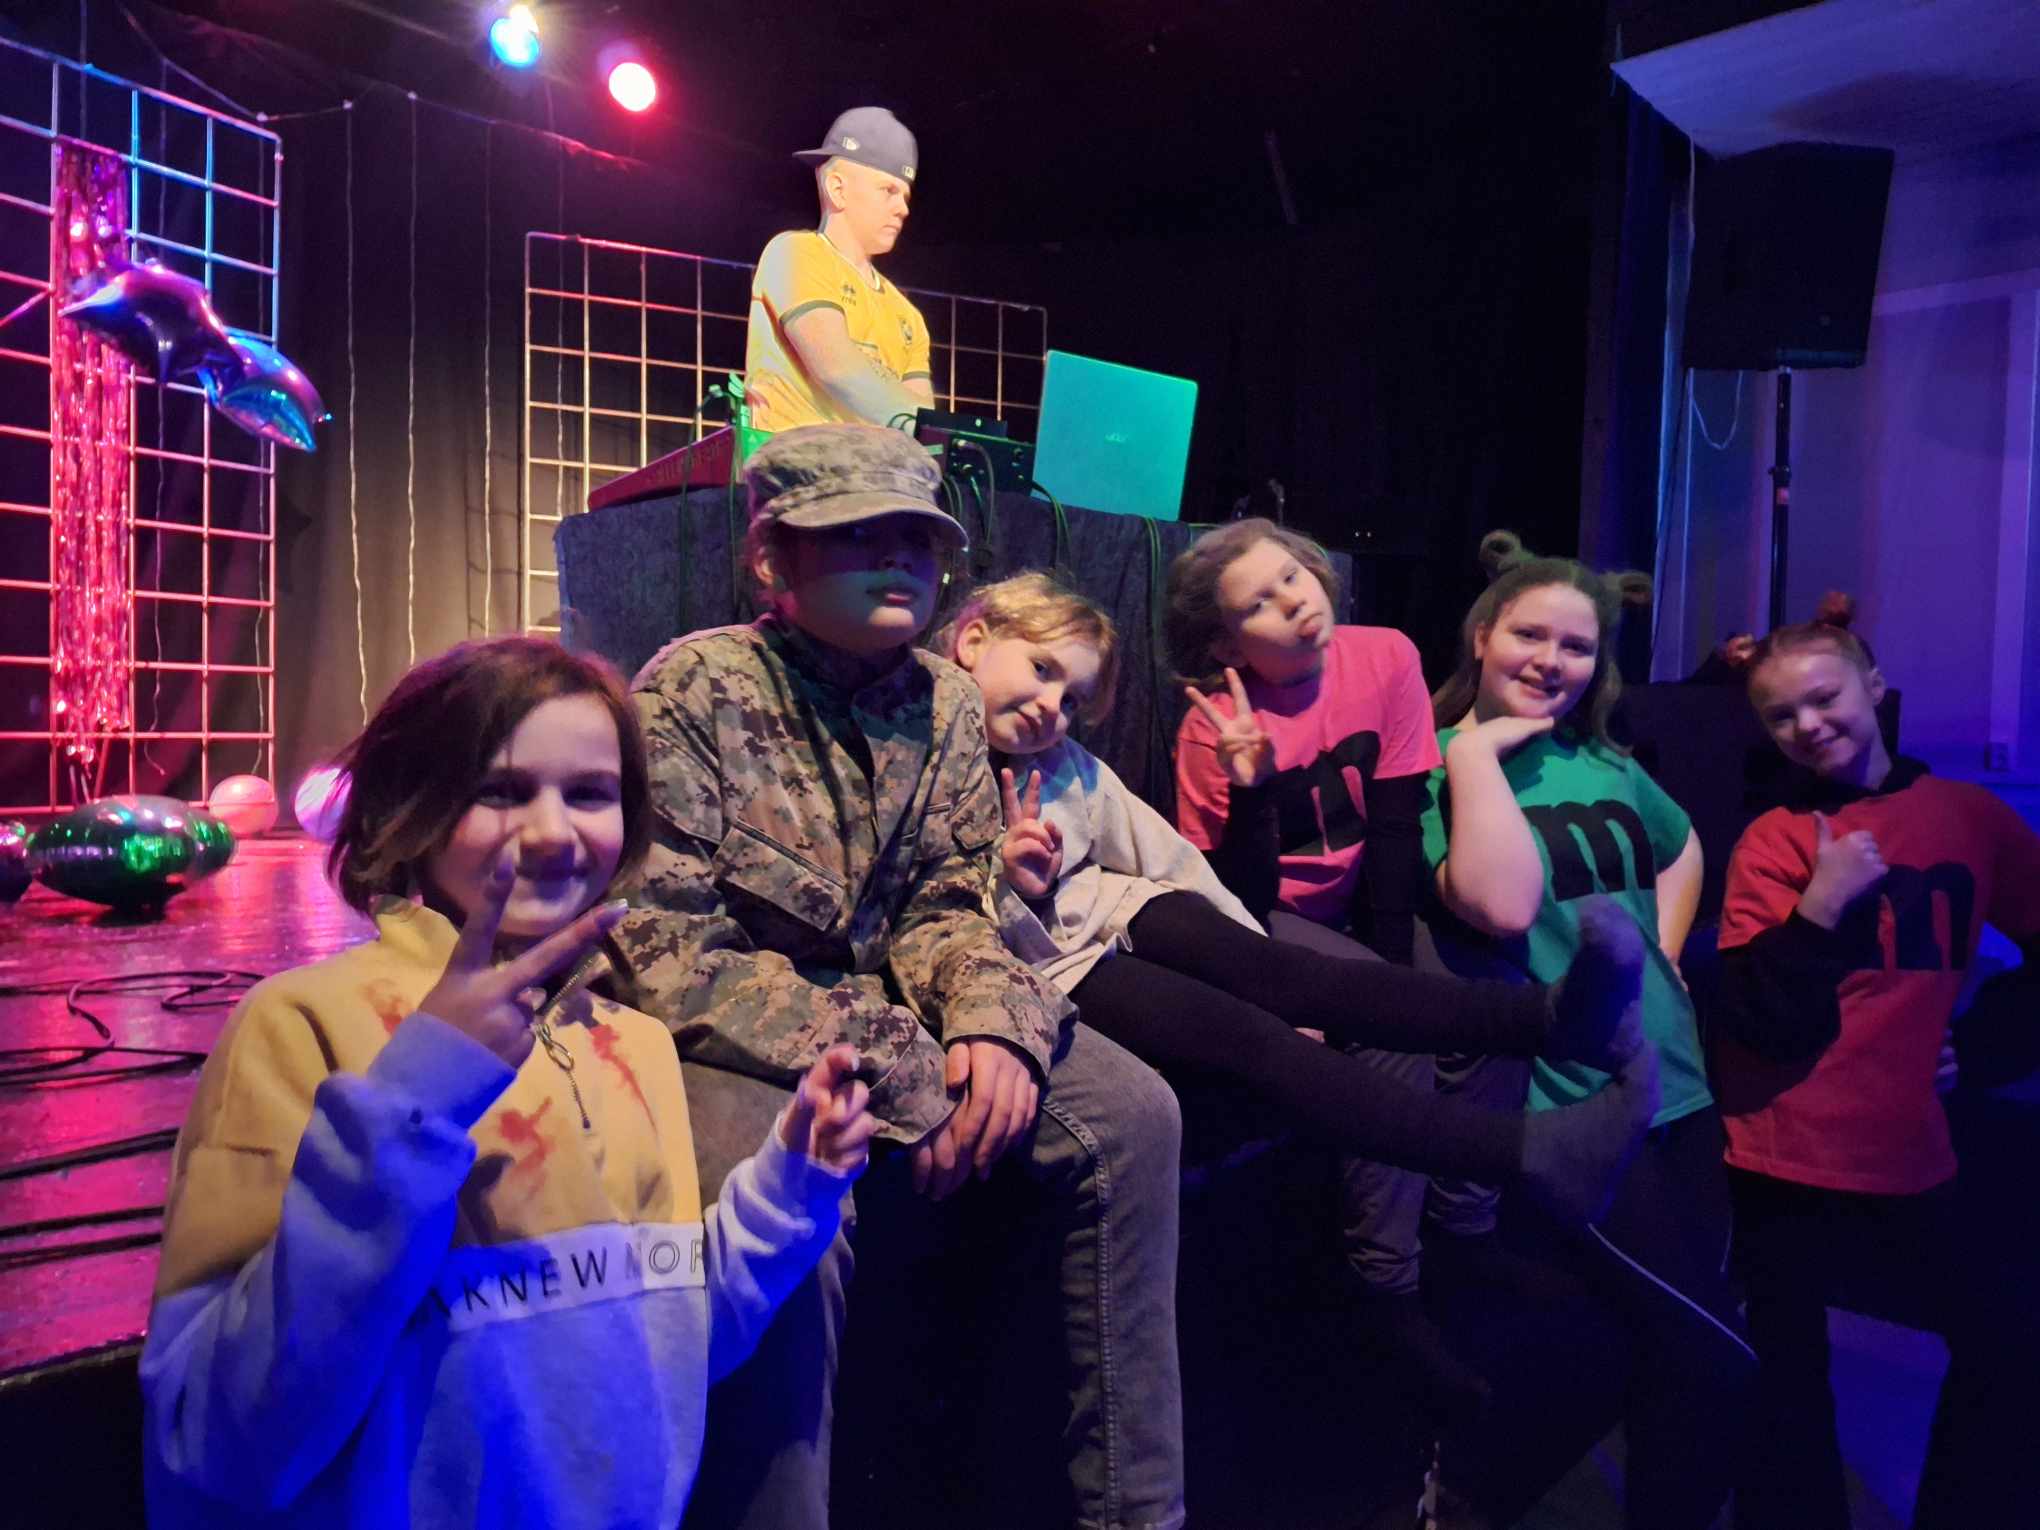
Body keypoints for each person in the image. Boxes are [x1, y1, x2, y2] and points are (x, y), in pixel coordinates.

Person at [139, 637, 872, 1529]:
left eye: (590, 793)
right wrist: (418, 1095)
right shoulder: (298, 1026)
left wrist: (790, 1189)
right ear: (410, 807)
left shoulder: (632, 1045)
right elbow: (216, 1430)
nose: (554, 832)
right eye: (502, 791)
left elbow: (666, 1345)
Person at [609, 426, 1187, 1530]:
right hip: (732, 1039)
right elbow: (665, 950)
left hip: (898, 1007)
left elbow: (948, 902)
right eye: (858, 535)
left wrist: (993, 1025)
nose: (900, 560)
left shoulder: (947, 702)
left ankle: (1137, 1516)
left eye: (919, 541)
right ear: (772, 559)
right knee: (789, 1193)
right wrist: (901, 1062)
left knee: (1132, 1115)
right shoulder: (692, 688)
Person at [940, 570, 1655, 1215]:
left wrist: (1253, 958)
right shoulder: (924, 754)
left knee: (1296, 974)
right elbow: (934, 914)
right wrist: (1014, 884)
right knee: (1251, 1040)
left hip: (1120, 905)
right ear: (973, 640)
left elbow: (1168, 858)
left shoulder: (1068, 765)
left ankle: (1552, 1018)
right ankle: (1524, 1154)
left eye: (1071, 699)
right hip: (1055, 960)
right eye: (1041, 670)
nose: (1051, 706)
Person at [1420, 531, 1752, 1530]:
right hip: (1581, 1106)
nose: (1550, 661)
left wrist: (1670, 949)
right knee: (1714, 1357)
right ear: (1482, 634)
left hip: (1684, 1087)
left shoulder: (1600, 761)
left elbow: (1681, 845)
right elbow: (1500, 906)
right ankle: (1454, 1501)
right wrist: (1475, 750)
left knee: (1657, 1361)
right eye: (1530, 635)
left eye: (1576, 646)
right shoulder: (1437, 767)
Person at [1164, 517, 1522, 1438]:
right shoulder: (1211, 729)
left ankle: (1467, 1229)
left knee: (1481, 1009)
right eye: (1261, 603)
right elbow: (1234, 902)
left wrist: (1397, 980)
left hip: (1364, 908)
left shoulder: (1385, 654)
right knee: (1394, 1044)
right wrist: (1250, 785)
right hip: (1266, 922)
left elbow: (1396, 827)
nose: (1295, 603)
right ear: (1225, 644)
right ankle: (1385, 1286)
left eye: (1293, 577)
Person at [1717, 611, 2040, 1530]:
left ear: (1875, 687)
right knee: (1785, 1377)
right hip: (1780, 1148)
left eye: (1824, 698)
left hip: (1908, 1143)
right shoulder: (1775, 837)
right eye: (1781, 715)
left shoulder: (1966, 817)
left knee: (2008, 1341)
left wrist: (1983, 1047)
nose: (1808, 725)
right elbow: (1756, 1016)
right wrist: (1819, 911)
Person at [744, 106, 934, 433]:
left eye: (905, 196)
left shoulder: (908, 315)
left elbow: (924, 415)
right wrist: (918, 426)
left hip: (873, 461)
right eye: (888, 190)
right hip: (794, 456)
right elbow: (836, 368)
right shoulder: (796, 252)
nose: (903, 209)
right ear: (837, 188)